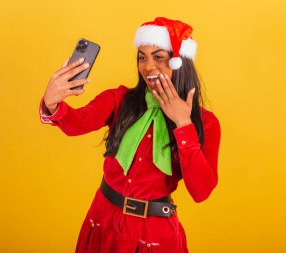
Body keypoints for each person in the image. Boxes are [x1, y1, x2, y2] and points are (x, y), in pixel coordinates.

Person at [39, 17, 221, 253]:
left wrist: (183, 124)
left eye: (159, 57)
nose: (148, 66)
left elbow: (201, 191)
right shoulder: (120, 99)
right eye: (142, 57)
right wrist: (52, 103)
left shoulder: (205, 123)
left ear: (179, 63)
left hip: (153, 236)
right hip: (102, 222)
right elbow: (77, 123)